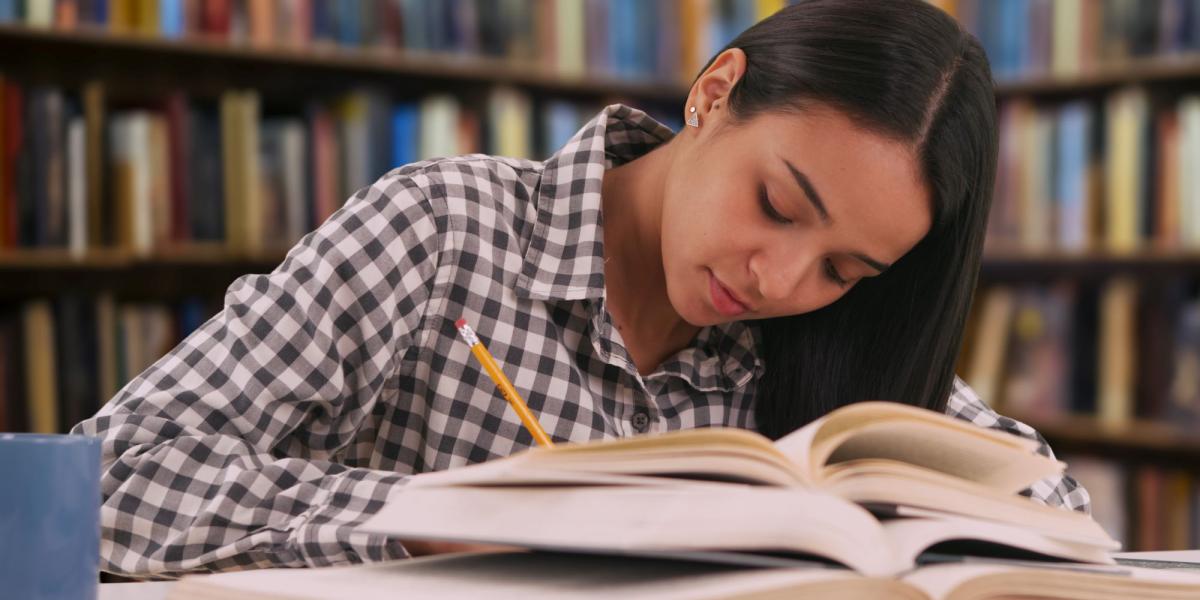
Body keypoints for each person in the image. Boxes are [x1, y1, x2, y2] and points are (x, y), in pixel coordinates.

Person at [75, 0, 1090, 577]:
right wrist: (433, 515)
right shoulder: (445, 231)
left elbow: (1055, 510)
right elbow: (105, 480)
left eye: (843, 269)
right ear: (715, 93)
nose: (778, 278)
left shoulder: (834, 347)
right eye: (779, 205)